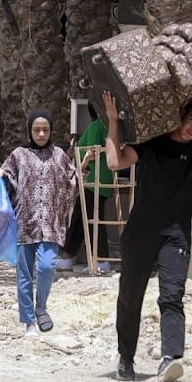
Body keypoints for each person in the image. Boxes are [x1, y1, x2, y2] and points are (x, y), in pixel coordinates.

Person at [103, 78, 192, 382]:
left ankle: (170, 359)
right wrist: (113, 122)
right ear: (180, 114)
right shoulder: (151, 144)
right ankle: (126, 357)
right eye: (191, 121)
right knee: (130, 297)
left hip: (175, 235)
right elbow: (114, 161)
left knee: (172, 296)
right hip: (140, 232)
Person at [0, 109, 85, 337]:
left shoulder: (59, 155)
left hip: (50, 224)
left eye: (45, 130)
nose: (41, 134)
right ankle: (29, 322)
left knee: (46, 267)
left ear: (51, 131)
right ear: (30, 130)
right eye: (37, 130)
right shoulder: (18, 155)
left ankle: (41, 308)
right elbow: (8, 177)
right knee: (24, 274)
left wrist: (82, 168)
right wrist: (2, 175)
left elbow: (71, 182)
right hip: (25, 224)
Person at [56, 105, 117, 273]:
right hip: (107, 177)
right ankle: (68, 255)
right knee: (81, 217)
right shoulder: (109, 127)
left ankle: (102, 259)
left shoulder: (95, 126)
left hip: (93, 178)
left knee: (92, 219)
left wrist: (74, 151)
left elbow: (89, 152)